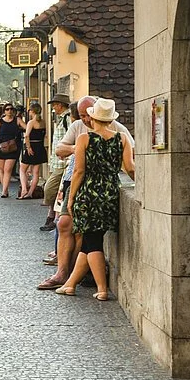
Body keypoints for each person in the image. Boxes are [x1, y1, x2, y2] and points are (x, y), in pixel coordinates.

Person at [57, 98, 134, 301]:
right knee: (91, 240)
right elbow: (131, 168)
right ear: (111, 119)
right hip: (110, 192)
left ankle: (102, 289)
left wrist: (71, 197)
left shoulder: (84, 139)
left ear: (92, 117)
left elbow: (79, 171)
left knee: (93, 243)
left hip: (89, 193)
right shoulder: (122, 139)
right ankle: (70, 284)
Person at [39, 94, 73, 229]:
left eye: (54, 105)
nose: (53, 108)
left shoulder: (67, 119)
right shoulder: (62, 119)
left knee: (50, 189)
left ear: (60, 105)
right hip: (58, 162)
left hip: (63, 163)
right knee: (57, 191)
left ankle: (53, 217)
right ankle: (51, 217)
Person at [0, 104, 23, 198]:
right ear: (4, 111)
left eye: (11, 109)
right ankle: (4, 189)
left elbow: (27, 127)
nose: (9, 111)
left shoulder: (17, 120)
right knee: (1, 170)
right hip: (0, 147)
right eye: (7, 109)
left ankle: (4, 191)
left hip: (13, 148)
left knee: (7, 169)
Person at [19, 104, 48, 199]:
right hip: (40, 146)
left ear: (32, 111)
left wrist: (28, 147)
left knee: (22, 169)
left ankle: (24, 190)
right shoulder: (43, 122)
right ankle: (30, 192)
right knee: (36, 172)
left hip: (32, 146)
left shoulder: (31, 122)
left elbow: (26, 136)